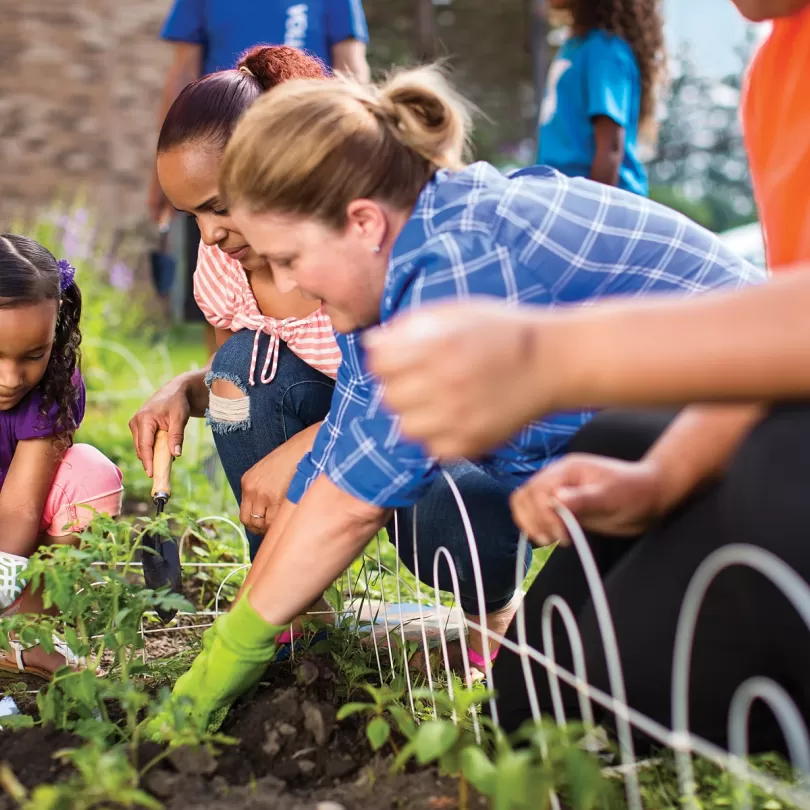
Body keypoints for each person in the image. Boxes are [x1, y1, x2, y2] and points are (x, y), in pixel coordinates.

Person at [145, 65, 765, 733]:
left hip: (754, 453)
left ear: (360, 223)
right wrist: (243, 629)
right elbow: (332, 470)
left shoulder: (457, 265)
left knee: (586, 702)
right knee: (527, 700)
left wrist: (220, 664)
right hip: (646, 463)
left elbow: (350, 508)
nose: (288, 281)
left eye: (292, 259)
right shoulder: (390, 272)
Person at [361, 0, 810, 753]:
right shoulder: (780, 66)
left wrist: (552, 356)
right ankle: (528, 739)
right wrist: (661, 478)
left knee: (778, 461)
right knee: (627, 436)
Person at [130, 47, 341, 569]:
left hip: (416, 433)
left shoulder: (353, 253)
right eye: (191, 215)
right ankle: (292, 602)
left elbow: (405, 399)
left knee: (448, 510)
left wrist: (301, 451)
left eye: (220, 206)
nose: (209, 234)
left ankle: (489, 615)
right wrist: (182, 390)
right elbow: (239, 388)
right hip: (333, 422)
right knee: (235, 363)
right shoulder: (224, 266)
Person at [147, 0, 371, 348]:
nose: (208, 235)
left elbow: (351, 69)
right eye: (193, 217)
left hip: (289, 152)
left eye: (214, 211)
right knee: (231, 320)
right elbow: (182, 72)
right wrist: (167, 173)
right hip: (212, 153)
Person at [0, 235, 123, 680]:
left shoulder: (53, 387)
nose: (11, 378)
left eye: (34, 354)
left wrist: (3, 575)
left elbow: (19, 506)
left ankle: (24, 631)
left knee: (90, 476)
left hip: (15, 541)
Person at [536, 0, 664, 196]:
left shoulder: (604, 50)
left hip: (602, 203)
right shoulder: (575, 45)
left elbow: (610, 146)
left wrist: (593, 214)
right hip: (566, 196)